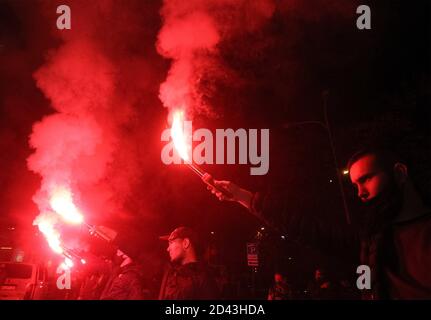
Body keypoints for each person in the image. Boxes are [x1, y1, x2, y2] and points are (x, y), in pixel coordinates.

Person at [203, 147, 431, 299]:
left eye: (367, 179)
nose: (360, 193)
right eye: (355, 185)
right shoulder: (371, 241)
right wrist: (241, 196)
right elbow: (306, 228)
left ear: (400, 173)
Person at [158, 226, 220, 300]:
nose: (168, 249)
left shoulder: (203, 278)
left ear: (185, 243)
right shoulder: (170, 274)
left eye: (171, 242)